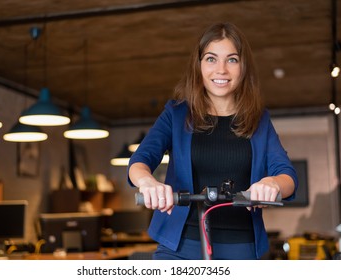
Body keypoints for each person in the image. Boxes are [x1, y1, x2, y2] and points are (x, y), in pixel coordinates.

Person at [127, 22, 298, 260]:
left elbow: (288, 176)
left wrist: (273, 183)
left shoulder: (259, 120)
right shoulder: (176, 114)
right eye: (210, 59)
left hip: (242, 248)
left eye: (232, 59)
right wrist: (147, 182)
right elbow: (139, 161)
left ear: (243, 67)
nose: (221, 70)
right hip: (179, 246)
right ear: (198, 66)